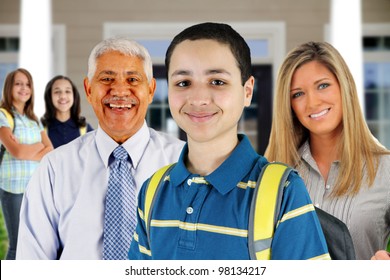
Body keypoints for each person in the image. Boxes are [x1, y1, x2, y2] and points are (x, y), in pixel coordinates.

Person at [128, 22, 330, 260]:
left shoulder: (283, 191)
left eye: (217, 81)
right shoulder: (153, 191)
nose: (199, 98)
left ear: (247, 91)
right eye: (183, 83)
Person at [16, 37, 184, 260]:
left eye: (133, 79)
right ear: (88, 89)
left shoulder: (185, 162)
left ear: (151, 90)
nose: (120, 91)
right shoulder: (55, 168)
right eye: (107, 79)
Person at [264, 41, 390, 260]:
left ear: (345, 86)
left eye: (322, 85)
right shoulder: (271, 175)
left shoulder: (385, 171)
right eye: (298, 94)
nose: (312, 102)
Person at [0, 68, 53, 259]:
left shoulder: (33, 120)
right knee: (16, 245)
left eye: (28, 84)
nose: (24, 88)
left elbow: (50, 150)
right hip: (13, 189)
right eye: (18, 83)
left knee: (31, 244)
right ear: (9, 88)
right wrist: (38, 146)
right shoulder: (3, 116)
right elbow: (17, 151)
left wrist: (28, 149)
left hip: (33, 189)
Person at [41, 75, 94, 148]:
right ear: (49, 97)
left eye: (67, 91)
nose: (63, 96)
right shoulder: (40, 130)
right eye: (57, 92)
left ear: (74, 96)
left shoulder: (86, 130)